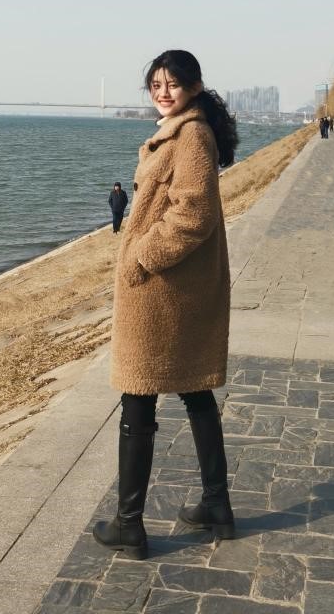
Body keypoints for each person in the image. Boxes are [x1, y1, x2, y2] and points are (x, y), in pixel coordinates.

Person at [93, 49, 239, 561]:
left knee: (139, 396)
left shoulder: (191, 135)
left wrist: (141, 256)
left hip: (163, 291)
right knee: (195, 393)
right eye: (155, 84)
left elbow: (193, 213)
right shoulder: (184, 130)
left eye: (172, 83)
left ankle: (129, 523)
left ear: (193, 86)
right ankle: (217, 506)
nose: (162, 91)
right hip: (177, 288)